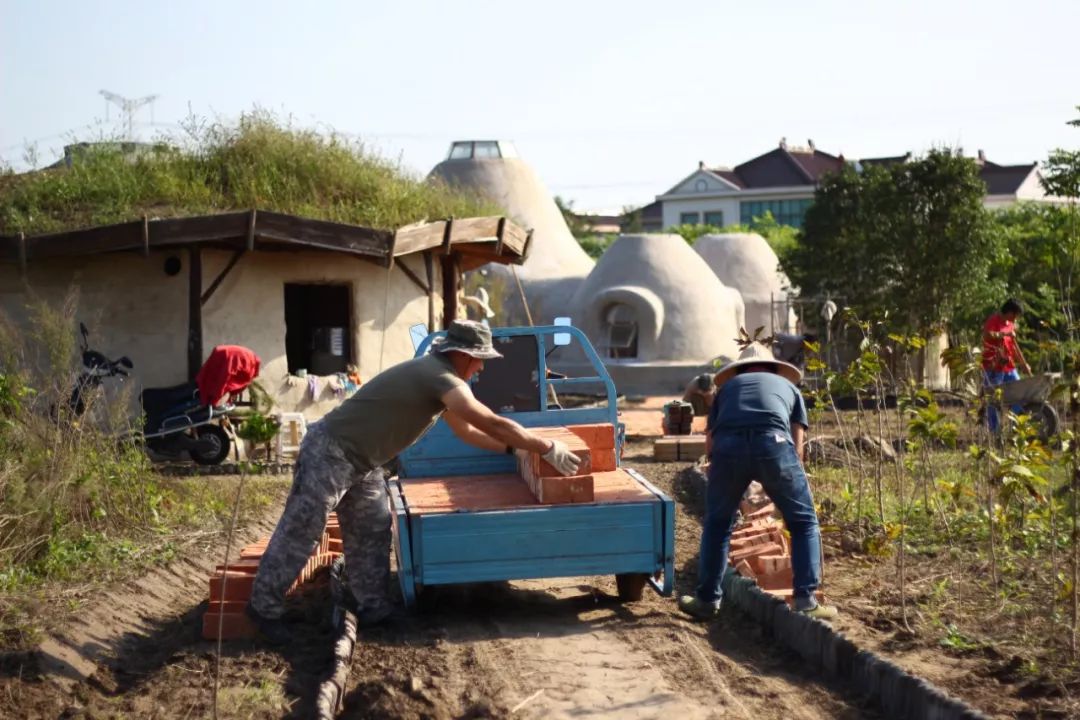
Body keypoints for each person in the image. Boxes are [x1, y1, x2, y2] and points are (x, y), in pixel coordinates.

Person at [246, 320, 582, 643]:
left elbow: (466, 431)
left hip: (364, 463)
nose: (481, 369)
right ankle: (264, 609)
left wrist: (515, 451)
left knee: (371, 528)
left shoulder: (437, 378)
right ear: (465, 355)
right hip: (331, 451)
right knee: (302, 529)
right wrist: (545, 446)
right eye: (480, 362)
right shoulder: (438, 375)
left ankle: (375, 609)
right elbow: (487, 420)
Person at [677, 342, 838, 621]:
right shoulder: (789, 388)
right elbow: (796, 442)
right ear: (774, 368)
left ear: (739, 369)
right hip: (773, 444)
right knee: (803, 522)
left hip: (728, 448)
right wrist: (787, 477)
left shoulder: (727, 389)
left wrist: (721, 476)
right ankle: (806, 600)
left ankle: (707, 600)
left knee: (718, 525)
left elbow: (710, 442)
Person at [982, 298, 1031, 433]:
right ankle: (995, 432)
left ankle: (1015, 425)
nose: (1016, 318)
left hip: (1009, 366)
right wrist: (1005, 333)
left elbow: (1014, 347)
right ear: (1009, 312)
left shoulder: (1010, 324)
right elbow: (987, 335)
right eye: (1015, 315)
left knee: (1020, 394)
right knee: (993, 400)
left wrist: (1023, 363)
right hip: (993, 367)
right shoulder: (994, 320)